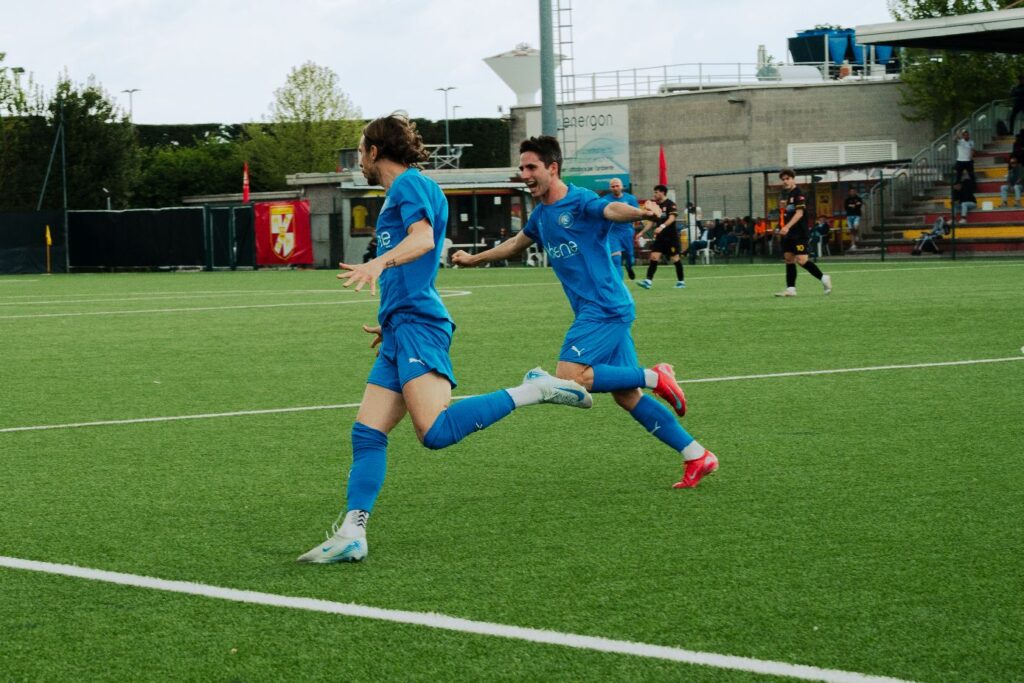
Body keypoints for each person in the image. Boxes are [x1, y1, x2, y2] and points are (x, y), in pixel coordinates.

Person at [298, 116, 594, 564]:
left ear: (375, 151)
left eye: (360, 151)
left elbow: (422, 241)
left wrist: (377, 264)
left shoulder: (409, 185)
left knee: (434, 432)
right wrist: (390, 320)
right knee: (367, 432)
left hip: (419, 325)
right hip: (401, 327)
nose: (358, 160)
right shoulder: (405, 191)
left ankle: (534, 389)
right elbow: (416, 260)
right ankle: (352, 533)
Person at [452, 136, 719, 489]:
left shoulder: (580, 200)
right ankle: (696, 455)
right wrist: (475, 259)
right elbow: (516, 244)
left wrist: (641, 212)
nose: (525, 175)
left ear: (553, 168)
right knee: (627, 396)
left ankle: (656, 376)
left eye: (532, 167)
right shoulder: (541, 215)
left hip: (604, 307)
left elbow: (610, 210)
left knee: (570, 375)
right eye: (522, 168)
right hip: (597, 309)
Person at [774, 169, 831, 297]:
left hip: (799, 233)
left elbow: (799, 214)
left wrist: (787, 226)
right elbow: (786, 213)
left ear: (793, 179)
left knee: (801, 260)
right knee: (789, 259)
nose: (785, 181)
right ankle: (791, 289)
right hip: (788, 234)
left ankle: (824, 278)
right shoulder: (786, 195)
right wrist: (780, 225)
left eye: (787, 178)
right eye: (783, 179)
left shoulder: (799, 194)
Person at [636, 185, 685, 289]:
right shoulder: (656, 206)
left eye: (656, 192)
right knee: (654, 257)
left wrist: (662, 226)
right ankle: (648, 281)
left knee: (675, 258)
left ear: (662, 192)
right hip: (660, 238)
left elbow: (672, 218)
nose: (654, 194)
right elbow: (651, 222)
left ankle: (681, 281)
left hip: (671, 238)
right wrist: (641, 232)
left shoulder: (670, 204)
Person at [605, 178, 640, 279]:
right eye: (613, 186)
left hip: (627, 232)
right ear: (610, 188)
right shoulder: (605, 200)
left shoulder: (630, 199)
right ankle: (619, 284)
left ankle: (629, 266)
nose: (615, 188)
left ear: (622, 186)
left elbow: (637, 213)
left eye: (617, 186)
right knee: (616, 259)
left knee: (630, 257)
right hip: (612, 232)